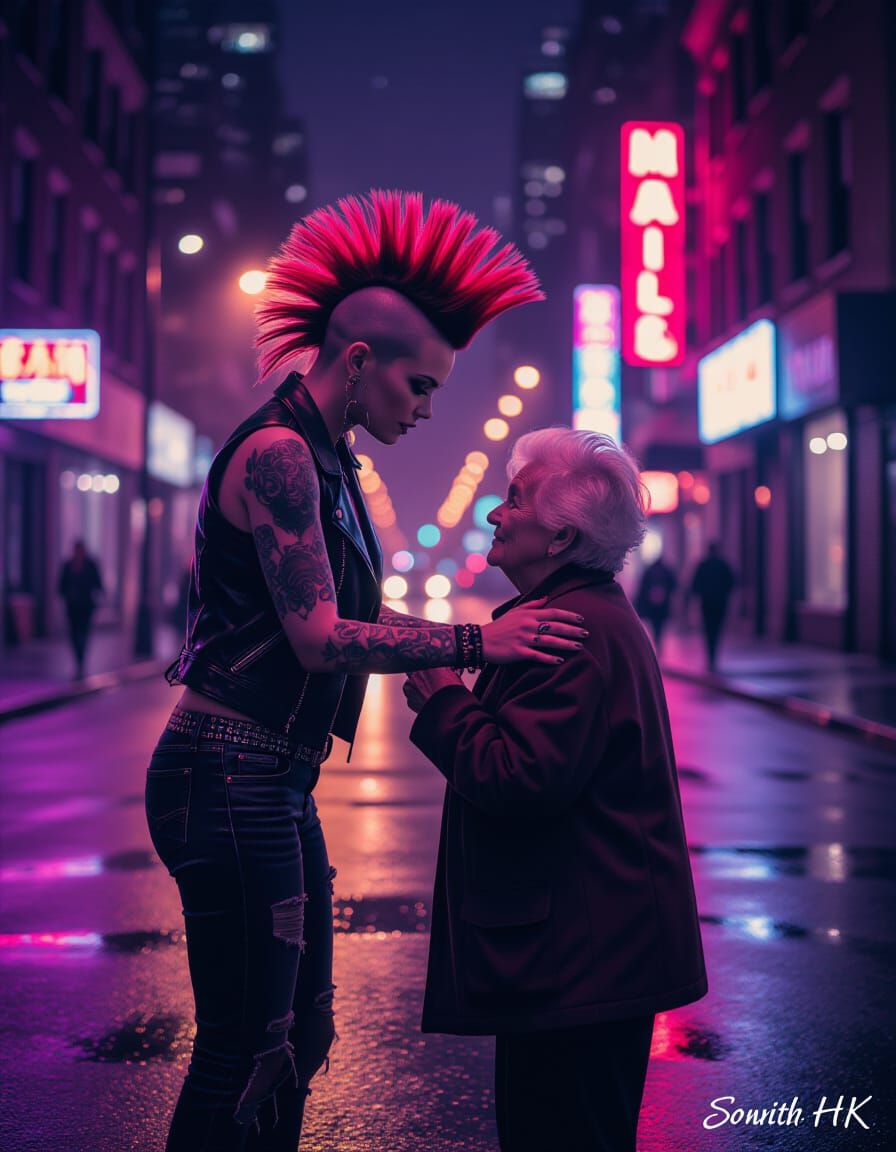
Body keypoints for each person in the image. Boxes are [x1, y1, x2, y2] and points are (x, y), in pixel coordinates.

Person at [146, 190, 587, 1151]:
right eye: (420, 386)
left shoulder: (330, 461)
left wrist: (456, 638)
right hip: (225, 772)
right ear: (358, 362)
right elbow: (316, 637)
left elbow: (347, 618)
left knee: (301, 1035)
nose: (428, 407)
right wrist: (474, 642)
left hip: (270, 776)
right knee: (246, 1044)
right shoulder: (279, 455)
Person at [403, 428, 708, 1152]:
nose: (495, 514)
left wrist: (445, 699)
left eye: (514, 499)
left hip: (583, 965)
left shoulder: (572, 630)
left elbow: (521, 778)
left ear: (561, 535)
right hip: (581, 958)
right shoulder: (576, 615)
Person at [57, 539, 103, 678]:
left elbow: (98, 583)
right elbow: (61, 585)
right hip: (72, 607)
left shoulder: (90, 565)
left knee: (83, 633)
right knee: (73, 634)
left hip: (86, 607)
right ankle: (78, 660)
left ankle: (80, 662)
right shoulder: (68, 565)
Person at [690, 541, 736, 672]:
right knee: (717, 629)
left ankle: (711, 657)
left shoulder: (703, 565)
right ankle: (713, 657)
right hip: (720, 602)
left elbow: (695, 585)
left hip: (707, 602)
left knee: (708, 629)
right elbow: (732, 582)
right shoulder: (723, 565)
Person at [634, 554, 677, 647]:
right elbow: (673, 585)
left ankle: (657, 640)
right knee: (659, 625)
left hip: (651, 605)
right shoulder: (666, 571)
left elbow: (642, 588)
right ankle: (658, 641)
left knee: (654, 624)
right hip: (663, 605)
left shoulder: (649, 571)